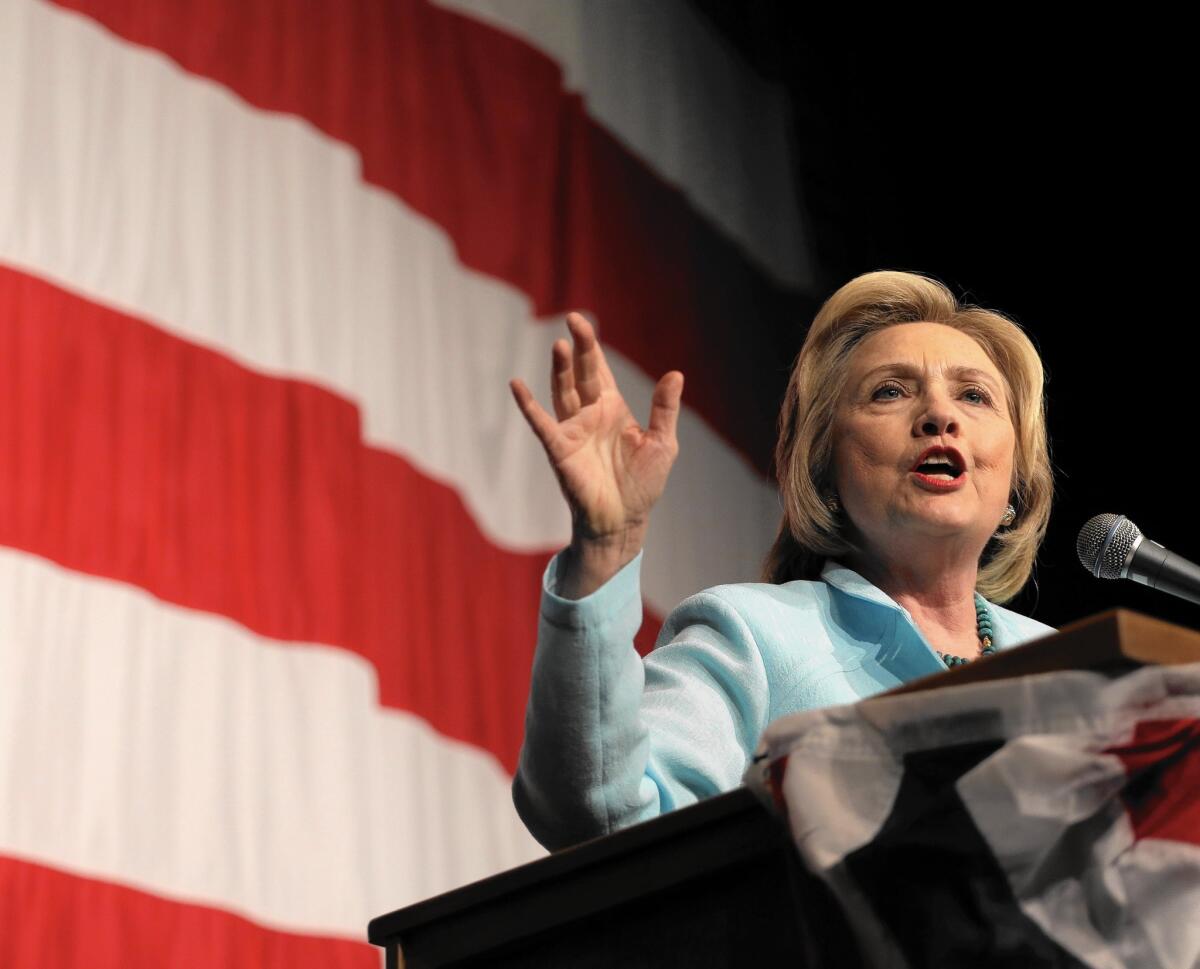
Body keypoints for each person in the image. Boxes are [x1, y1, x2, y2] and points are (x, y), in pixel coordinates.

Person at [508, 271, 1055, 850]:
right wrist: (606, 544)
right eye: (889, 391)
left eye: (974, 396)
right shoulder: (754, 638)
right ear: (825, 467)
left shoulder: (1072, 666)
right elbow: (603, 814)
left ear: (1016, 480)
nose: (939, 416)